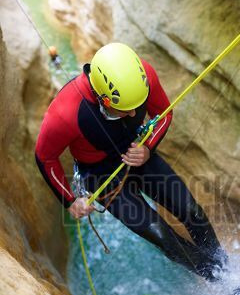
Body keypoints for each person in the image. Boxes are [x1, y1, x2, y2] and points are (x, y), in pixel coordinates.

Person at [36, 42, 227, 281]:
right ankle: (220, 279)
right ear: (103, 99)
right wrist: (70, 201)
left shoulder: (142, 75)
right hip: (99, 174)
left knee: (191, 211)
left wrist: (147, 148)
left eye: (136, 107)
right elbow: (45, 156)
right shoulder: (65, 112)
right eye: (124, 109)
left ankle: (224, 266)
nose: (131, 114)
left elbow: (163, 113)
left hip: (137, 155)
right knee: (161, 235)